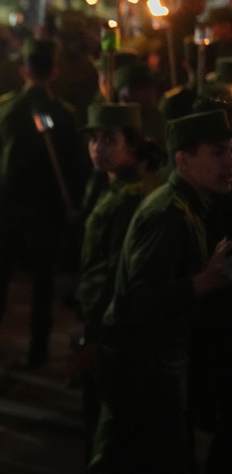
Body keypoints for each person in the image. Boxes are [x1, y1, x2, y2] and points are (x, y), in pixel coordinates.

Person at [69, 109, 232, 474]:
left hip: (152, 367)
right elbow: (138, 300)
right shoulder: (167, 213)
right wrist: (204, 281)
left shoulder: (192, 205)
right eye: (217, 153)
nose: (229, 162)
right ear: (183, 160)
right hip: (141, 370)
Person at [0, 39, 84, 368]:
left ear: (23, 70)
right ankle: (38, 351)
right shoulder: (64, 114)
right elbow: (73, 164)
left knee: (0, 279)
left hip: (8, 203)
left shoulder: (5, 106)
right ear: (53, 72)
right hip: (45, 208)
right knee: (43, 282)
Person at [73, 103, 161, 455]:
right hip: (105, 323)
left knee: (105, 429)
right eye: (93, 139)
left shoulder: (130, 198)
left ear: (133, 144)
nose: (97, 148)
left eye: (109, 139)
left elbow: (113, 276)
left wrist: (94, 335)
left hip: (112, 329)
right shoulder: (110, 185)